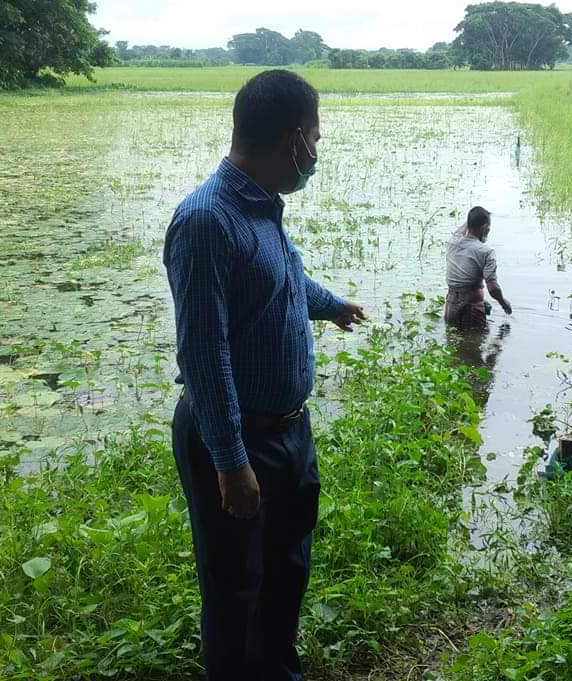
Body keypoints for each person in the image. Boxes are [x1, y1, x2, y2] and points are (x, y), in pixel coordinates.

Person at [162, 69, 366, 681]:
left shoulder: (261, 207)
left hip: (286, 432)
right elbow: (203, 353)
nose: (317, 152)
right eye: (317, 138)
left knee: (285, 572)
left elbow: (282, 280)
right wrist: (230, 461)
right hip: (237, 440)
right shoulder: (206, 221)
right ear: (295, 139)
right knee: (235, 591)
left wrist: (330, 306)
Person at [444, 206, 513, 328]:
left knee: (451, 343)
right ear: (484, 228)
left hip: (451, 306)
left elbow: (461, 230)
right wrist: (503, 303)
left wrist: (473, 218)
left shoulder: (452, 242)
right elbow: (492, 288)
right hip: (471, 310)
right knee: (476, 345)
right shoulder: (486, 252)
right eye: (488, 229)